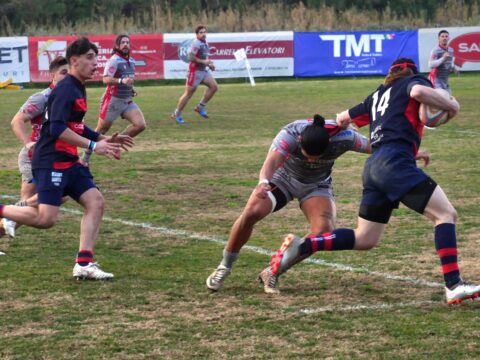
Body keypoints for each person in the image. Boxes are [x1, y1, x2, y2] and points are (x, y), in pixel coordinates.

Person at [267, 58, 479, 305]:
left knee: (365, 238)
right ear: (410, 71)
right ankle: (453, 284)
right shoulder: (414, 81)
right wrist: (453, 105)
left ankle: (304, 246)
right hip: (395, 162)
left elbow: (342, 117)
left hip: (374, 165)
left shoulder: (378, 94)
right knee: (446, 214)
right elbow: (420, 92)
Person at [0, 37, 134, 280]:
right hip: (51, 159)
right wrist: (94, 145)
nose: (96, 63)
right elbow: (57, 129)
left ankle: (84, 263)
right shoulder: (65, 89)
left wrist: (103, 137)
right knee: (45, 218)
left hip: (68, 160)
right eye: (90, 58)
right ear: (75, 61)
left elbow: (76, 126)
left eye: (96, 57)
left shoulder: (77, 86)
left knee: (95, 202)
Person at [206, 114, 371, 292]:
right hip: (283, 178)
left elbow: (375, 146)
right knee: (251, 212)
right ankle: (224, 266)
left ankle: (273, 271)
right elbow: (272, 161)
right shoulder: (290, 134)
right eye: (308, 156)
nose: (311, 161)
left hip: (316, 184)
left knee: (322, 233)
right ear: (300, 142)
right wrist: (263, 183)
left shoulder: (345, 138)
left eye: (317, 157)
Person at [1, 57, 69, 239]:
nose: (67, 77)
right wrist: (28, 142)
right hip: (34, 156)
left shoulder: (69, 98)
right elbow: (17, 121)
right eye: (63, 73)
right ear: (51, 75)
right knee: (32, 203)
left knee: (59, 195)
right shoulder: (42, 97)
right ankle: (7, 215)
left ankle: (8, 217)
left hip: (54, 156)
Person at [82, 34, 145, 166]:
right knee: (100, 131)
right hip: (113, 101)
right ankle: (85, 158)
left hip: (127, 101)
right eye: (123, 42)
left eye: (127, 42)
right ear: (117, 46)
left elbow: (127, 79)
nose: (126, 44)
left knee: (140, 125)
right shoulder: (114, 60)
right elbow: (105, 79)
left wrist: (131, 88)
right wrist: (122, 81)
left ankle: (115, 145)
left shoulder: (132, 61)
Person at [171, 25, 218, 124]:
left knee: (214, 87)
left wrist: (209, 65)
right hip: (194, 71)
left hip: (203, 70)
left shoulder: (204, 42)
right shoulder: (196, 43)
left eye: (204, 32)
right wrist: (204, 62)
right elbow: (190, 57)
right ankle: (177, 114)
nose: (203, 34)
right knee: (188, 94)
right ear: (197, 34)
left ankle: (200, 108)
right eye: (201, 32)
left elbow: (204, 57)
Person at [429, 30, 458, 94]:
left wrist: (453, 68)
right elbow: (431, 65)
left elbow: (449, 64)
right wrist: (443, 58)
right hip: (435, 81)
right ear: (438, 38)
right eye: (442, 36)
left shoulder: (451, 50)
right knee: (444, 98)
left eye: (446, 36)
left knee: (447, 100)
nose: (444, 38)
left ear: (448, 38)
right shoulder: (435, 51)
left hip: (445, 81)